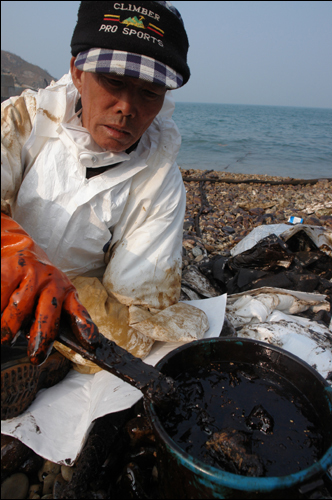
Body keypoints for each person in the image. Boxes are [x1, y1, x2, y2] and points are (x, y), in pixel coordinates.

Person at [1, 1, 194, 418]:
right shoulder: (26, 120)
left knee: (135, 337)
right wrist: (14, 252)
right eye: (112, 81)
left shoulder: (159, 180)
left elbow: (138, 305)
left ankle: (51, 352)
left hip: (78, 304)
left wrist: (68, 294)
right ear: (76, 72)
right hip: (7, 278)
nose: (127, 107)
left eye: (149, 92)